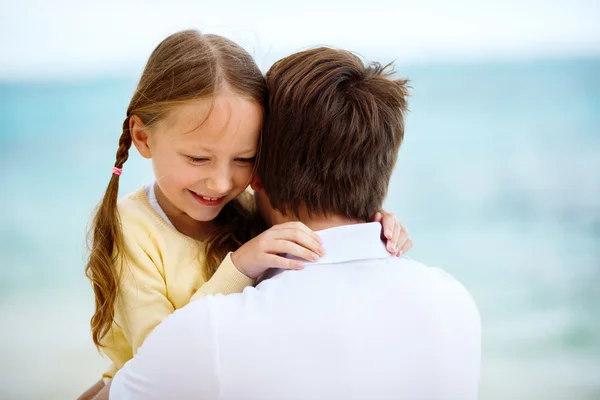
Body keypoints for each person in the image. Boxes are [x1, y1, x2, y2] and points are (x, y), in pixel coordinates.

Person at [101, 47, 481, 400]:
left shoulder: (216, 335)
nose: (221, 184)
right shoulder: (455, 303)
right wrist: (368, 221)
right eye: (200, 158)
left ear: (258, 173)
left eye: (245, 158)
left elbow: (159, 372)